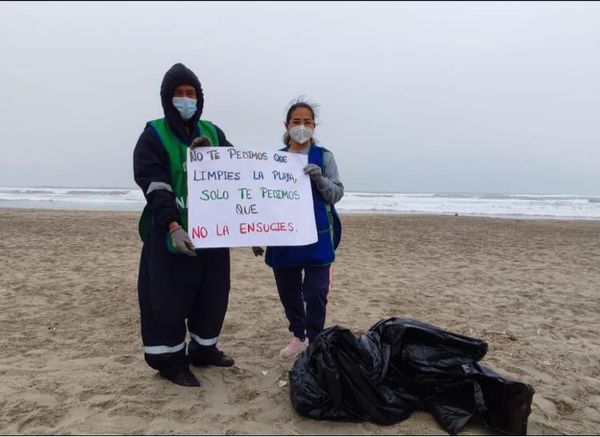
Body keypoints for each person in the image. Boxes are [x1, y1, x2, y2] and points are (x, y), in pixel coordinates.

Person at [133, 63, 235, 387]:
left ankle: (205, 351)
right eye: (178, 94)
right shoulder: (154, 134)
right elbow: (155, 185)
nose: (185, 99)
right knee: (167, 300)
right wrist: (174, 226)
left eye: (191, 93)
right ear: (167, 98)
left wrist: (252, 225)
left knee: (213, 296)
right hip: (171, 236)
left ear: (200, 98)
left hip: (213, 237)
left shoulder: (214, 132)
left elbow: (239, 176)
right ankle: (170, 362)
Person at [253, 99, 344, 359]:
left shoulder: (325, 157)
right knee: (289, 292)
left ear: (314, 126)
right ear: (287, 125)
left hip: (317, 237)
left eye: (307, 122)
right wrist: (256, 234)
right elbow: (262, 200)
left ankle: (315, 339)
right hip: (283, 237)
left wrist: (320, 179)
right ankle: (298, 336)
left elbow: (336, 193)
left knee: (316, 292)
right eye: (296, 121)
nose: (302, 127)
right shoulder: (275, 159)